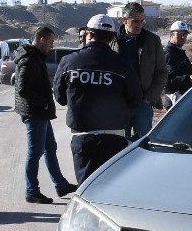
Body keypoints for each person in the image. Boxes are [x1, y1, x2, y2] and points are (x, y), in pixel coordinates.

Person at [54, 14, 142, 182]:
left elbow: (60, 96)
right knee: (110, 190)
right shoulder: (121, 64)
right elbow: (135, 98)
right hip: (115, 137)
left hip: (83, 138)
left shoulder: (69, 61)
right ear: (111, 38)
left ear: (90, 34)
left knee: (86, 190)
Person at [13, 26, 76, 204]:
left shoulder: (34, 57)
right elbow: (23, 88)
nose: (52, 45)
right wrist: (43, 102)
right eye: (50, 41)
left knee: (50, 148)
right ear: (41, 39)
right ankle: (31, 191)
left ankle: (61, 185)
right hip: (34, 113)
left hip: (40, 113)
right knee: (35, 152)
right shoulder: (28, 59)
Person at [115, 1, 167, 140]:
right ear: (124, 20)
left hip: (143, 104)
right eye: (135, 21)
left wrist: (149, 99)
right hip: (120, 105)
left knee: (142, 146)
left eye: (142, 21)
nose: (139, 25)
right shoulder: (113, 41)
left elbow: (161, 73)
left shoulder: (152, 41)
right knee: (119, 146)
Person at [164, 20, 192, 108]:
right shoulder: (168, 54)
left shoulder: (178, 51)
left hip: (182, 97)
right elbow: (167, 84)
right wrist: (187, 78)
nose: (183, 37)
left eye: (185, 35)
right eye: (179, 35)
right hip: (175, 100)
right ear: (171, 35)